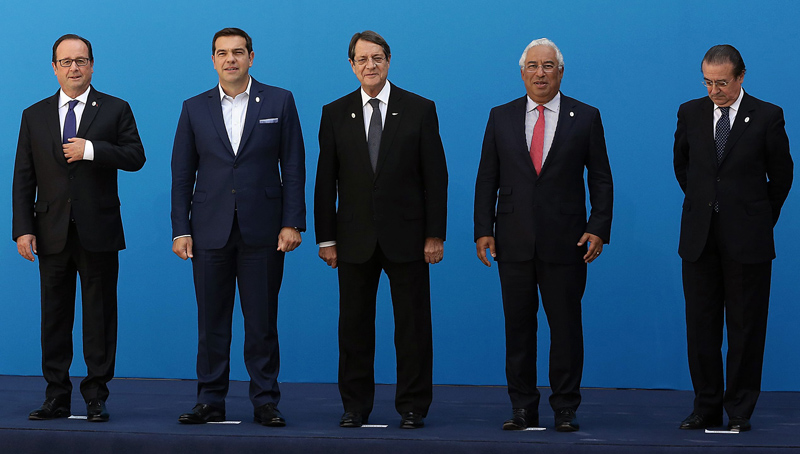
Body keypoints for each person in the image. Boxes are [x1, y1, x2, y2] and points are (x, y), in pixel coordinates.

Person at [474, 38, 613, 432]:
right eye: (532, 66)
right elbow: (487, 177)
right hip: (512, 240)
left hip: (567, 241)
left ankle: (565, 408)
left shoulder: (585, 116)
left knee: (566, 329)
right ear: (522, 73)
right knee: (518, 329)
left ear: (560, 71)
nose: (540, 73)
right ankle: (522, 407)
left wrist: (598, 227)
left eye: (548, 66)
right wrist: (483, 230)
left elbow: (601, 179)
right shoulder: (500, 116)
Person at [171, 27, 305, 427]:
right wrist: (181, 229)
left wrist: (292, 222)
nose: (231, 59)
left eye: (238, 52)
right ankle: (210, 399)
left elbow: (294, 167)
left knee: (261, 322)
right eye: (222, 53)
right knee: (211, 322)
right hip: (209, 230)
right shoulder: (194, 107)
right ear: (213, 60)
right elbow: (182, 174)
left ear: (251, 57)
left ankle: (265, 401)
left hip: (264, 231)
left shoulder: (280, 101)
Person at [314, 30, 448, 429]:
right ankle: (355, 405)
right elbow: (326, 180)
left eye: (377, 58)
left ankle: (412, 406)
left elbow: (435, 177)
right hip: (353, 239)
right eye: (361, 59)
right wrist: (326, 237)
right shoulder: (335, 112)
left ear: (388, 61)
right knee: (353, 327)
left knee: (412, 327)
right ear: (351, 65)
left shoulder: (419, 108)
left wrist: (434, 234)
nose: (369, 66)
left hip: (408, 238)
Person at [12, 34, 146, 423]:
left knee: (100, 318)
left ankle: (96, 396)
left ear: (92, 65)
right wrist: (23, 228)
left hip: (98, 231)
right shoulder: (33, 114)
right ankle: (56, 395)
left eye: (81, 61)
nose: (74, 68)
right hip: (50, 231)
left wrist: (92, 150)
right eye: (66, 61)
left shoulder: (115, 108)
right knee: (54, 317)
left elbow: (136, 156)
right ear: (54, 67)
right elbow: (24, 176)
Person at [674, 44, 792, 432]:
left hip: (748, 240)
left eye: (721, 83)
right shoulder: (690, 112)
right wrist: (704, 206)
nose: (714, 91)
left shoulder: (768, 116)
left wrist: (757, 218)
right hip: (699, 238)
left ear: (741, 77)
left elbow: (782, 175)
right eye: (707, 82)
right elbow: (683, 166)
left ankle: (739, 410)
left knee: (745, 328)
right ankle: (705, 407)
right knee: (701, 327)